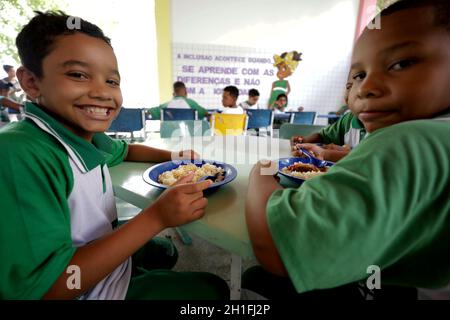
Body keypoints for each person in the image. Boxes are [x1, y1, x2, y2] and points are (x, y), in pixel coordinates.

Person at [0, 11, 229, 300]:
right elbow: (45, 290)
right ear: (31, 82)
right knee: (213, 290)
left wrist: (175, 155)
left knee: (165, 251)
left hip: (96, 246)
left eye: (112, 81)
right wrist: (156, 218)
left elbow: (126, 149)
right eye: (78, 75)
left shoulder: (83, 136)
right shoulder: (19, 153)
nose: (102, 93)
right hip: (85, 290)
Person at [244, 0, 450, 300]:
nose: (365, 88)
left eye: (401, 63)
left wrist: (261, 171)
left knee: (257, 276)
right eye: (358, 76)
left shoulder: (406, 140)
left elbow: (275, 248)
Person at [289, 81, 366, 162]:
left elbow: (369, 159)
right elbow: (323, 136)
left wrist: (324, 154)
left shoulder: (379, 131)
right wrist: (304, 141)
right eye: (349, 86)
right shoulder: (349, 119)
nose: (353, 92)